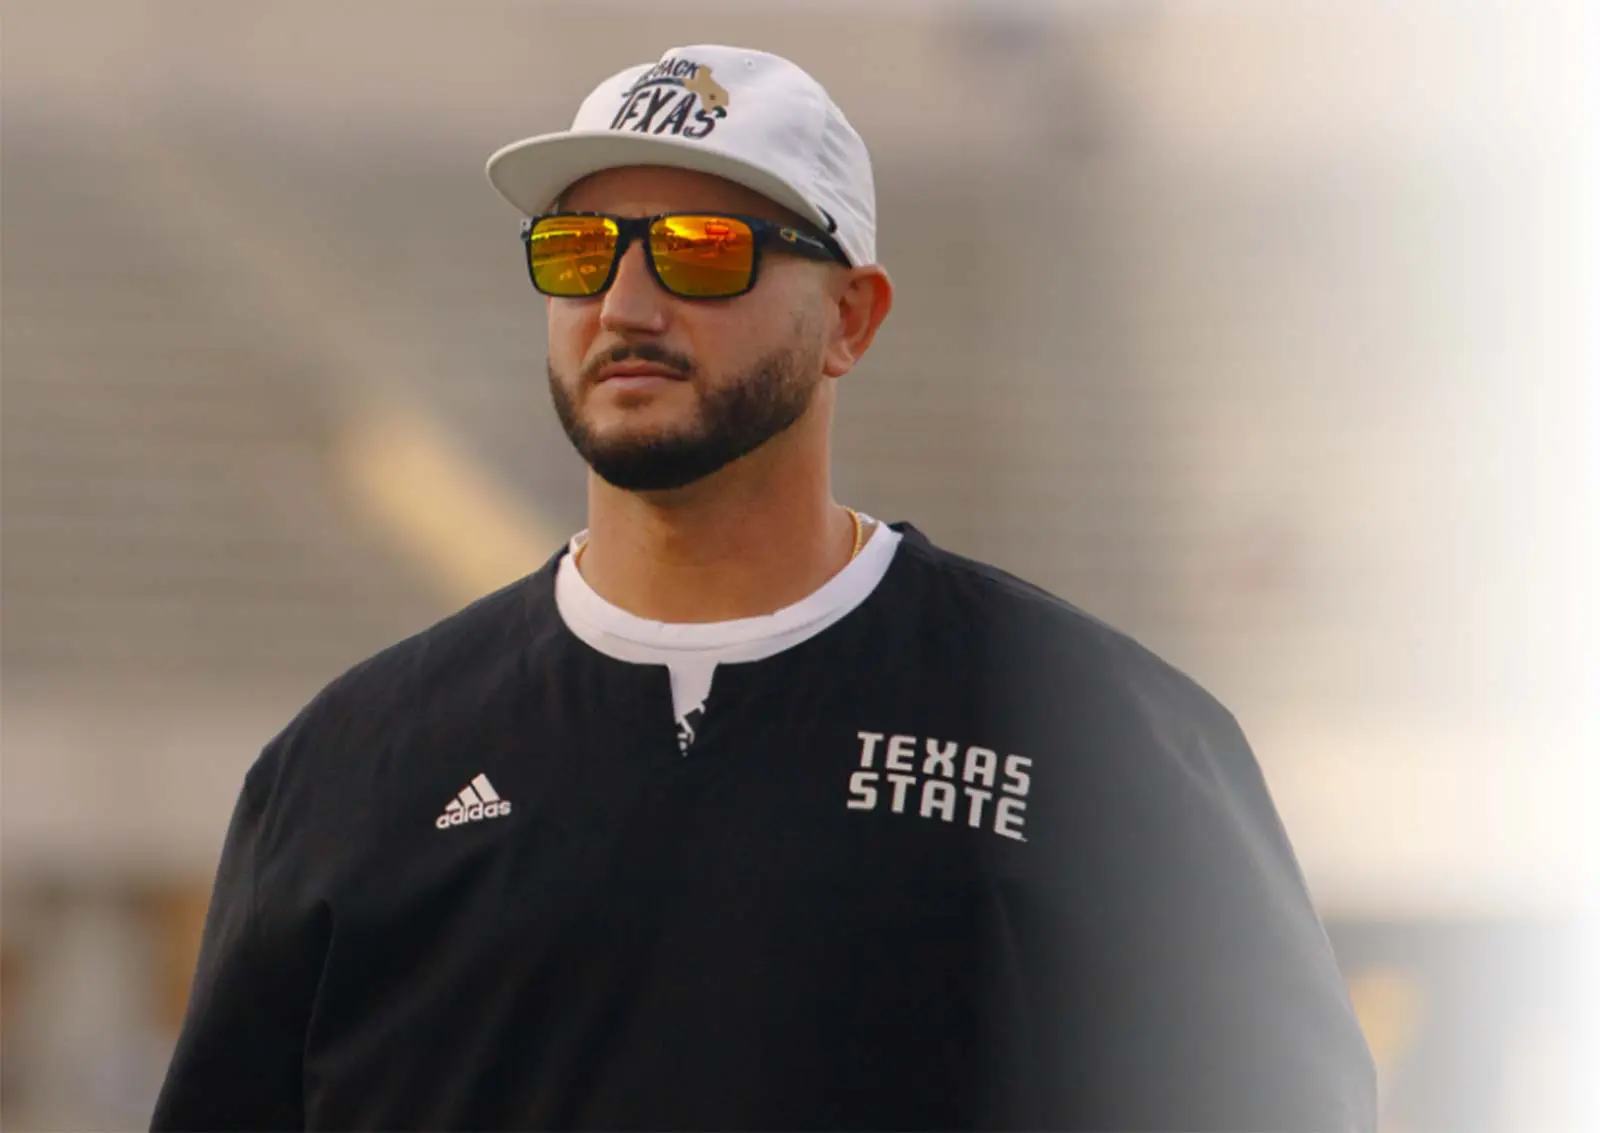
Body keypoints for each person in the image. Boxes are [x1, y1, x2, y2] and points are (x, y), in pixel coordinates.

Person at [151, 44, 1376, 1132]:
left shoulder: (1101, 737)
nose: (624, 304)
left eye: (701, 252)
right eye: (580, 251)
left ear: (851, 317)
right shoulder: (354, 766)